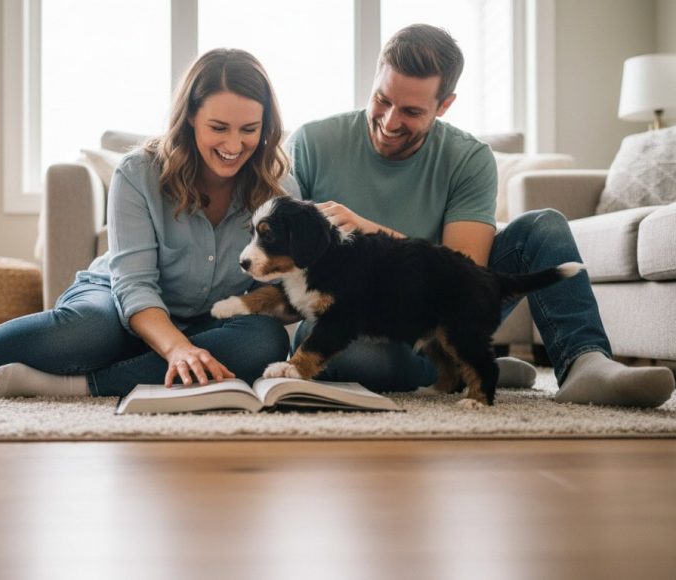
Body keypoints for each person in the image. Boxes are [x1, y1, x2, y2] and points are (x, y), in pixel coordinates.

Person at [0, 48, 296, 398]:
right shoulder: (139, 172)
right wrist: (175, 347)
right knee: (89, 330)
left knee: (264, 342)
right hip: (117, 300)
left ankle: (75, 386)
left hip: (209, 324)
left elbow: (285, 289)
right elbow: (134, 284)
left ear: (266, 126)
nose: (234, 145)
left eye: (249, 129)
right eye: (219, 127)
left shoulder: (279, 188)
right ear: (191, 116)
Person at [286, 23, 674, 408]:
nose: (389, 122)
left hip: (444, 305)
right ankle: (469, 368)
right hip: (360, 319)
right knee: (346, 351)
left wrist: (371, 232)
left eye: (411, 111)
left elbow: (465, 270)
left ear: (444, 105)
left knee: (543, 226)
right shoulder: (311, 143)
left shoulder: (469, 157)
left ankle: (585, 363)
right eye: (382, 100)